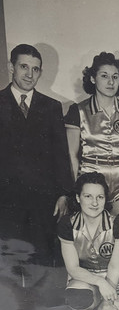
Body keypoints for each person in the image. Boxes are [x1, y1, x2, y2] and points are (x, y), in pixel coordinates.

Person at [0, 44, 73, 267]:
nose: (29, 74)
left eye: (35, 69)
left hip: (43, 200)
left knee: (41, 260)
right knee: (9, 264)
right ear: (11, 67)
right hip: (6, 200)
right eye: (24, 66)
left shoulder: (51, 107)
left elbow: (61, 154)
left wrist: (63, 194)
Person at [65, 52, 119, 228]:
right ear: (92, 79)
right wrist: (78, 186)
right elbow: (71, 153)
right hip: (90, 179)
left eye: (115, 77)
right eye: (104, 76)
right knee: (90, 237)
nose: (111, 82)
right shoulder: (78, 111)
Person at [58, 172, 119, 310]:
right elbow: (73, 268)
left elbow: (115, 265)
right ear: (78, 198)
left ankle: (109, 308)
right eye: (88, 196)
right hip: (84, 281)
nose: (94, 202)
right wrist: (99, 282)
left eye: (100, 197)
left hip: (115, 284)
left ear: (105, 199)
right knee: (76, 296)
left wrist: (108, 302)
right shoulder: (67, 224)